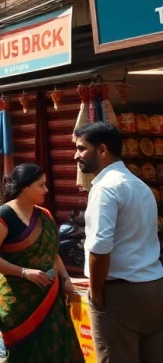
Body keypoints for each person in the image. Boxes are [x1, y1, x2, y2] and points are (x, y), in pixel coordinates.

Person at [74, 122, 163, 362]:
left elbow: (100, 247)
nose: (76, 155)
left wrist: (95, 292)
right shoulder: (140, 186)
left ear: (102, 150)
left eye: (82, 148)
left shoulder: (105, 188)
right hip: (153, 288)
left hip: (120, 294)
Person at [0, 164, 82, 362]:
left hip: (50, 298)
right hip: (18, 302)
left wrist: (66, 279)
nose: (46, 190)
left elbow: (53, 254)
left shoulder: (45, 215)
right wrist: (24, 272)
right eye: (41, 185)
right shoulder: (3, 216)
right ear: (25, 187)